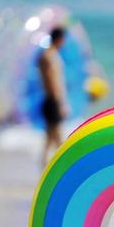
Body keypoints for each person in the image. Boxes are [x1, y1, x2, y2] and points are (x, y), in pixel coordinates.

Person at [38, 27, 69, 167]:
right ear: (59, 39)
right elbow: (51, 80)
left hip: (50, 99)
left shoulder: (48, 54)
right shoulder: (49, 56)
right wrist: (60, 102)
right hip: (52, 99)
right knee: (56, 135)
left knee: (50, 136)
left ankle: (44, 163)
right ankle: (63, 164)